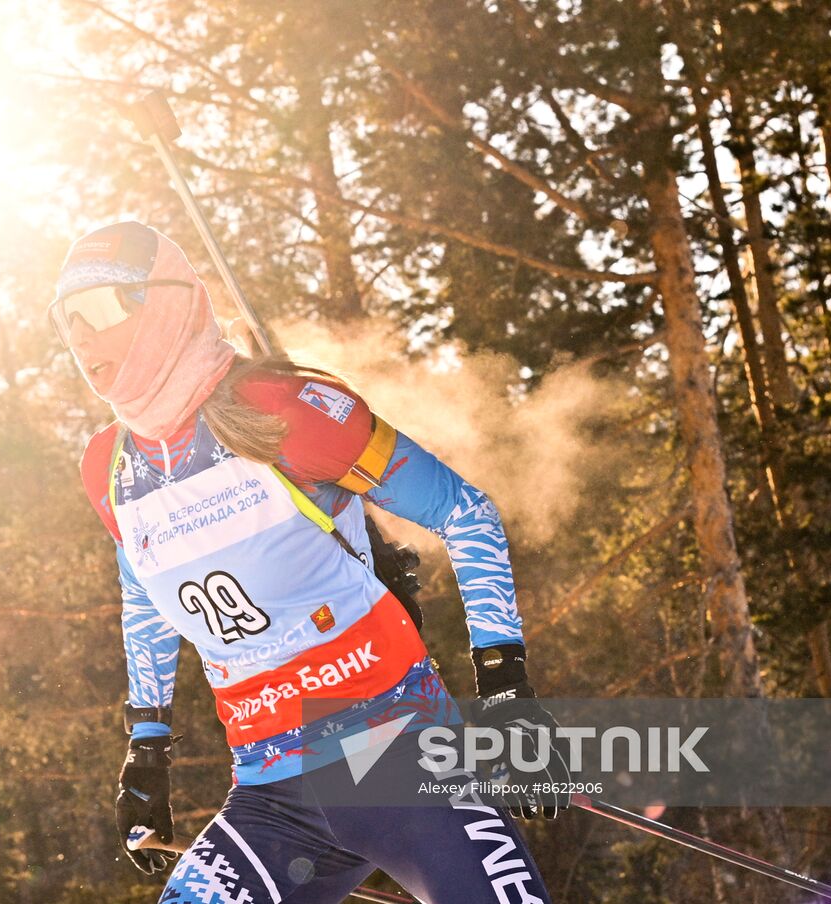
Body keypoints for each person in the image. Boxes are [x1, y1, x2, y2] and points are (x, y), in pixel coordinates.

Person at [54, 221, 566, 904]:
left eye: (97, 310)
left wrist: (506, 690)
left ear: (164, 304)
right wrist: (145, 748)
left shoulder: (284, 410)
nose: (80, 338)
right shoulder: (108, 467)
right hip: (272, 797)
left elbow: (464, 511)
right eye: (66, 322)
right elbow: (143, 596)